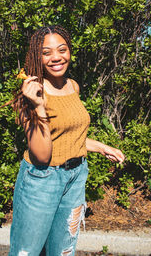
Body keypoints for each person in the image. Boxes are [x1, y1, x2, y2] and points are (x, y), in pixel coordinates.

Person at [8, 25, 125, 256]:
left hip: (76, 177)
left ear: (69, 51)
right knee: (27, 252)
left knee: (64, 250)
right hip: (41, 181)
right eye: (46, 52)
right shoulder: (30, 94)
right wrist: (39, 107)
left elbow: (70, 136)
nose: (56, 57)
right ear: (37, 57)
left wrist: (102, 147)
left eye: (62, 49)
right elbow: (42, 155)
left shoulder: (73, 86)